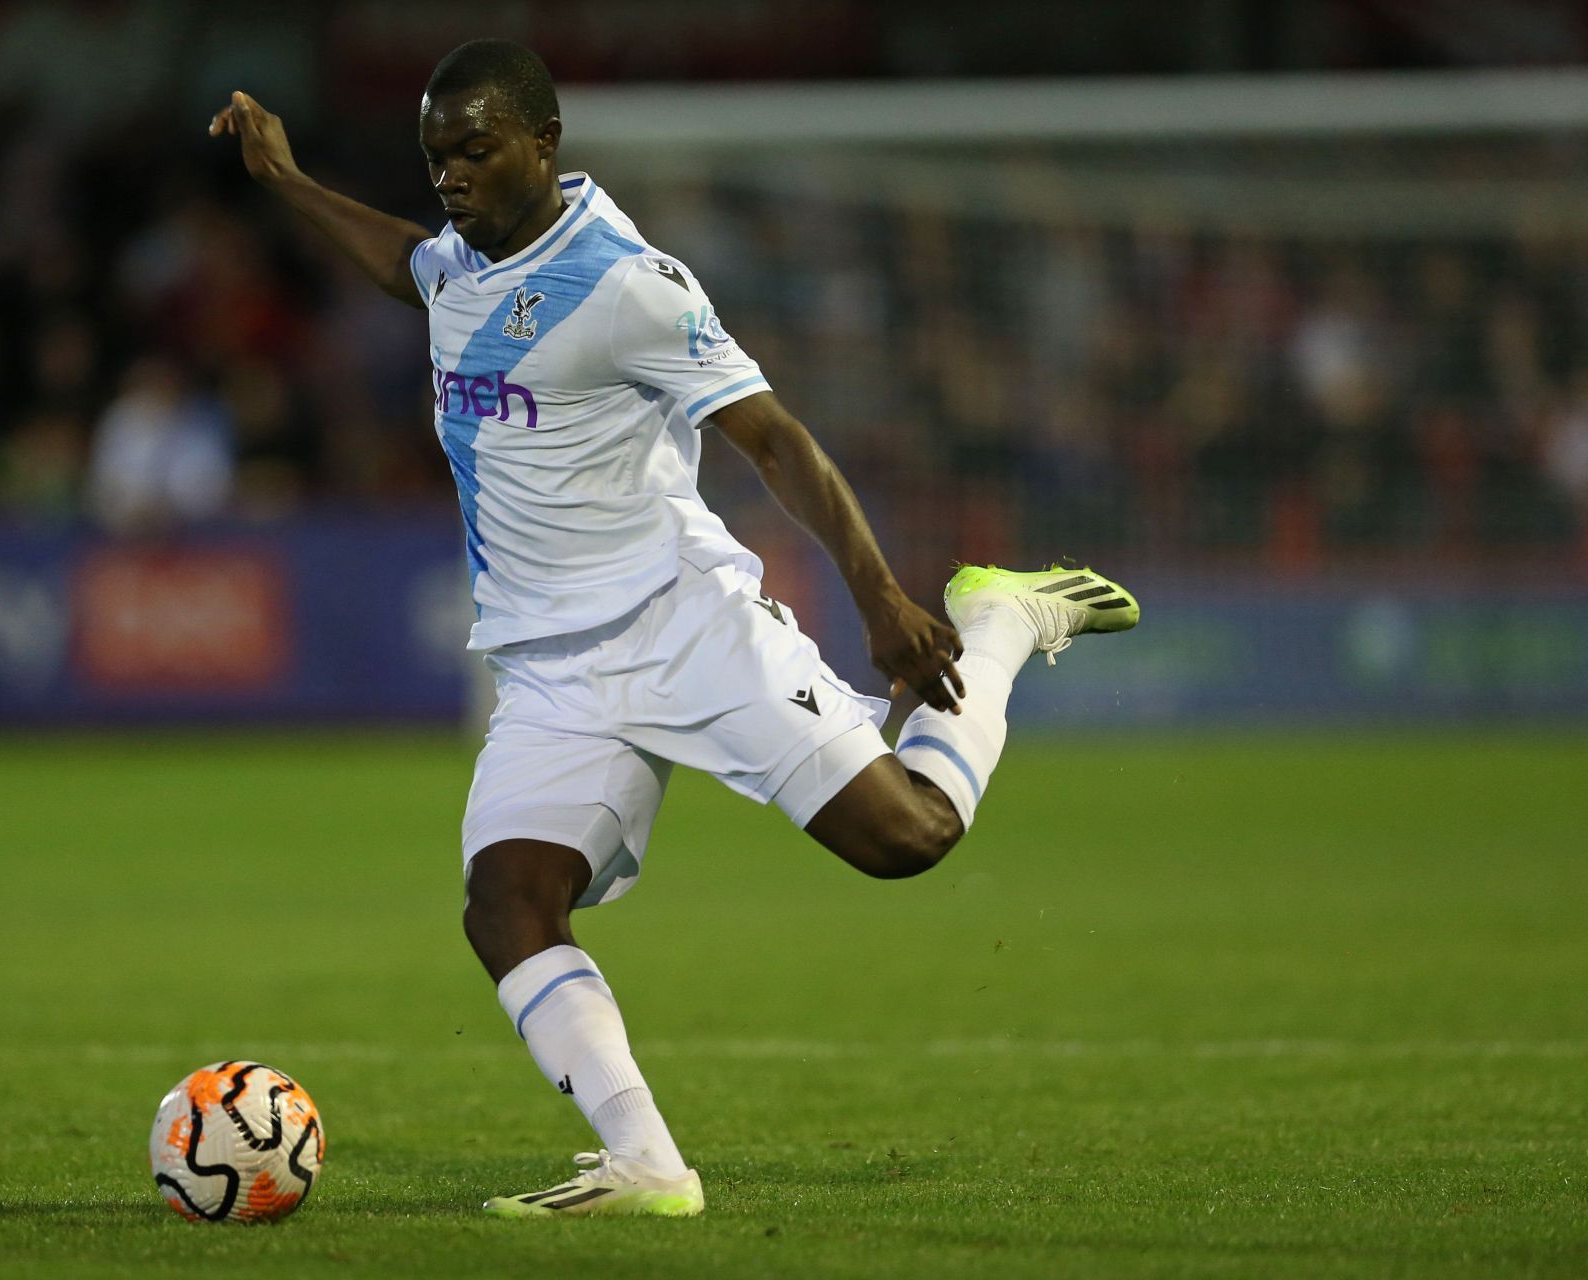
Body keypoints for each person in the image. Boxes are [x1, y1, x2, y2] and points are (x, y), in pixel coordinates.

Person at [210, 39, 1138, 1218]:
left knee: (907, 837)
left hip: (680, 621)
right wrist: (285, 181)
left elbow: (776, 440)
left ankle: (997, 622)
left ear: (543, 145)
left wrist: (881, 596)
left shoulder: (626, 281)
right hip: (548, 670)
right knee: (505, 905)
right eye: (436, 155)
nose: (450, 176)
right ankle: (648, 1163)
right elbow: (412, 264)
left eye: (475, 151)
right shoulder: (464, 262)